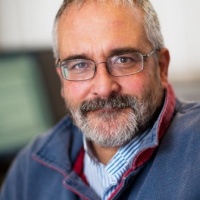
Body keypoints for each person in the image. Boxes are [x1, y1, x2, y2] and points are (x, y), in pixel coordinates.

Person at [1, 0, 200, 199]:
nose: (104, 88)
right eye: (79, 65)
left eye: (123, 60)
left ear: (161, 67)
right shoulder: (29, 170)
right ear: (62, 79)